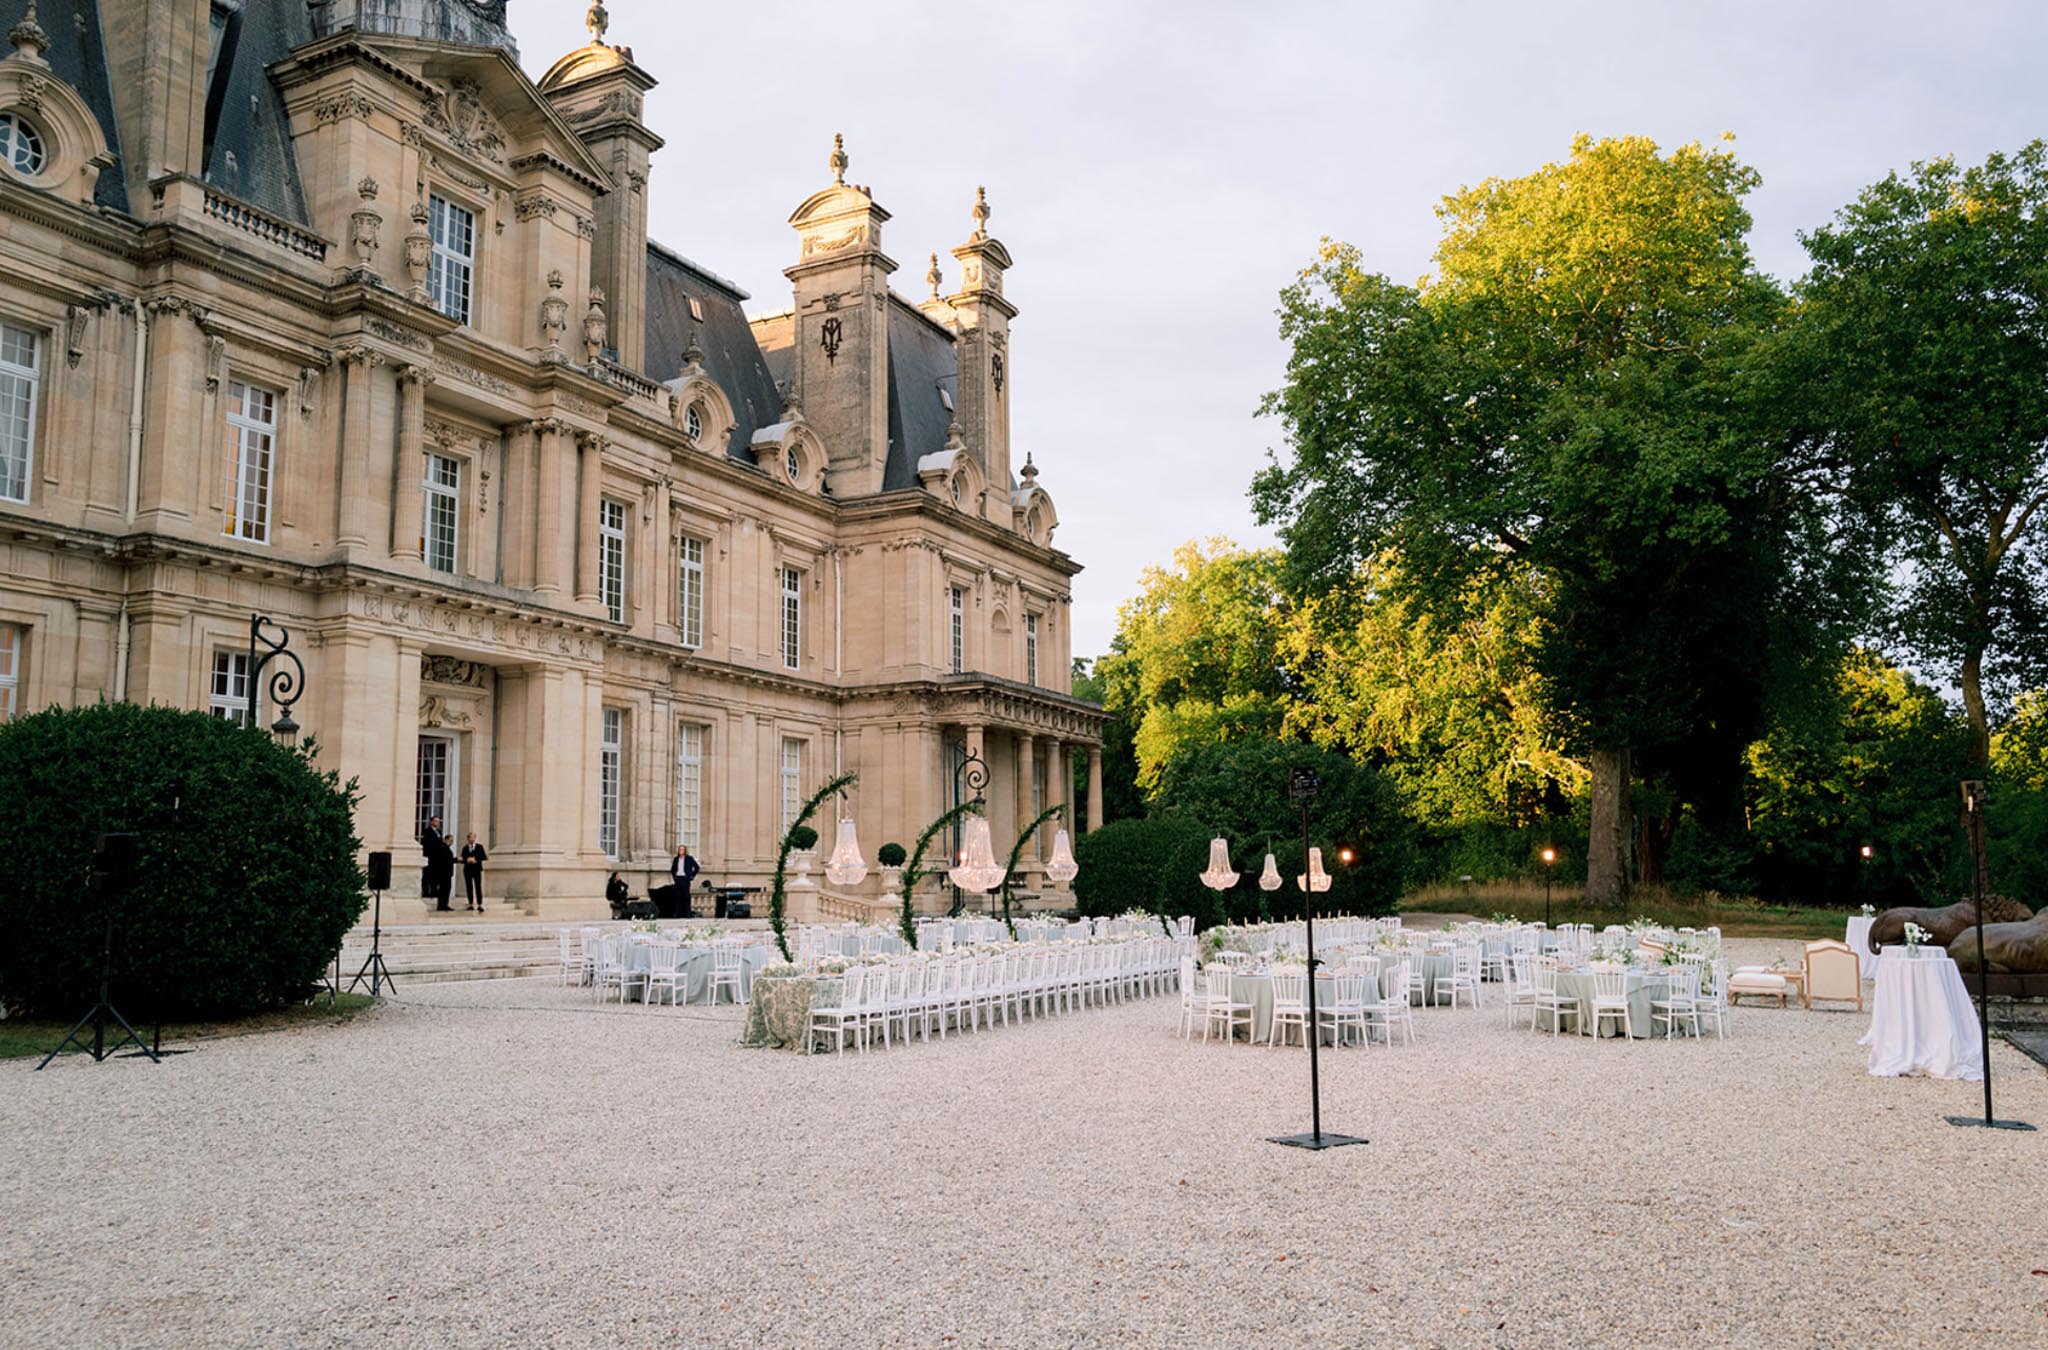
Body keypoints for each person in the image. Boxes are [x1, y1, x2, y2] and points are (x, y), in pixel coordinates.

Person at [420, 816, 456, 912]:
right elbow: (427, 843)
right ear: (431, 822)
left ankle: (434, 892)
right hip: (430, 856)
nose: (438, 823)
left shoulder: (439, 832)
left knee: (435, 878)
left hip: (437, 858)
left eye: (439, 821)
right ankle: (427, 892)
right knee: (427, 875)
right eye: (436, 821)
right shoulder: (427, 831)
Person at [459, 832, 488, 912]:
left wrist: (475, 859)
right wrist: (467, 859)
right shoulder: (465, 848)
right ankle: (470, 903)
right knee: (469, 887)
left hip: (477, 869)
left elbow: (484, 857)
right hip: (468, 869)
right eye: (469, 838)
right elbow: (462, 858)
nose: (471, 839)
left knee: (478, 886)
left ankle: (480, 904)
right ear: (467, 839)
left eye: (472, 837)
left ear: (475, 838)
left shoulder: (479, 847)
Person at [670, 844, 700, 917]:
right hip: (678, 879)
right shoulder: (676, 859)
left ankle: (688, 913)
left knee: (686, 896)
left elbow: (697, 867)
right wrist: (675, 877)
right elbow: (673, 869)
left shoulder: (689, 858)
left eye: (682, 849)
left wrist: (692, 876)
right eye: (680, 849)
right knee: (678, 897)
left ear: (685, 851)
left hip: (685, 879)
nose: (681, 851)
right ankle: (677, 913)